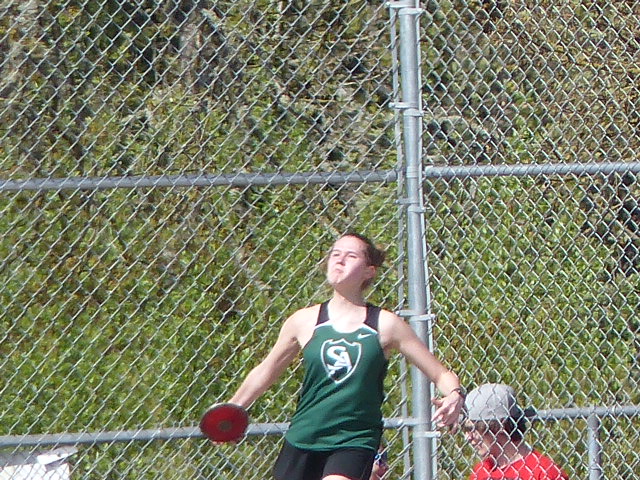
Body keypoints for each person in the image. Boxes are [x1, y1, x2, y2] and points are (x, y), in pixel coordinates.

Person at [227, 232, 465, 480]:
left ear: (369, 272)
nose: (339, 260)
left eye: (351, 256)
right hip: (303, 437)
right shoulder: (304, 321)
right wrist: (232, 409)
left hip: (353, 440)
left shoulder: (385, 324)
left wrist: (454, 394)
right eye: (335, 254)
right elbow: (266, 370)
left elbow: (441, 374)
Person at [463, 383, 569, 480]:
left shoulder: (544, 473)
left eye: (473, 429)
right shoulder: (481, 472)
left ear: (500, 425)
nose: (467, 437)